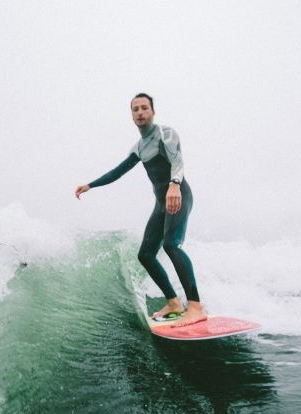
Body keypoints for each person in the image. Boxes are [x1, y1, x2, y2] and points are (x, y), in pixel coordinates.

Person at [75, 93, 207, 328]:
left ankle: (195, 306)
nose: (140, 112)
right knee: (145, 254)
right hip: (161, 203)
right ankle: (174, 303)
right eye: (135, 109)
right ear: (131, 115)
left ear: (153, 111)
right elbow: (118, 171)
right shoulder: (139, 147)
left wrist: (174, 186)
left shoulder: (166, 133)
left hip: (178, 196)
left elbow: (177, 160)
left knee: (171, 245)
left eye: (144, 108)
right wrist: (90, 185)